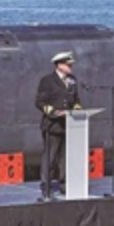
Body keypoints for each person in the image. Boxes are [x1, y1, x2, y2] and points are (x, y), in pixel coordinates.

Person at [34, 51, 82, 199]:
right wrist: (53, 111)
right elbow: (39, 102)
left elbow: (75, 99)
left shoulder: (72, 80)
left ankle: (64, 184)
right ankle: (46, 187)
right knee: (50, 157)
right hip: (53, 125)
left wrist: (77, 108)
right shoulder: (47, 81)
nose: (71, 67)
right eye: (68, 65)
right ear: (59, 65)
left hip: (69, 124)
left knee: (65, 158)